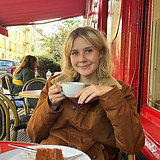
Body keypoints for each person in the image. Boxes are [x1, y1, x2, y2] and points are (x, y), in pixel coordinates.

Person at [27, 27, 145, 160]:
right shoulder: (54, 84)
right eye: (75, 53)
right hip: (52, 156)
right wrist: (51, 105)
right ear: (69, 57)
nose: (82, 59)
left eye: (89, 51)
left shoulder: (119, 90)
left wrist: (109, 96)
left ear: (100, 53)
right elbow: (33, 135)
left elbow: (132, 146)